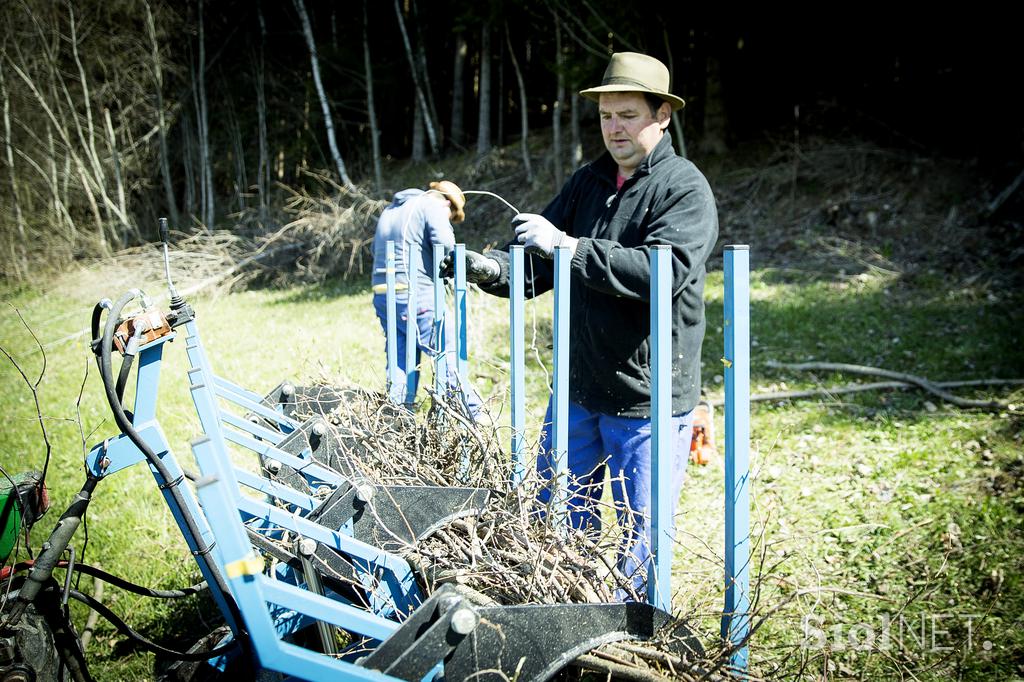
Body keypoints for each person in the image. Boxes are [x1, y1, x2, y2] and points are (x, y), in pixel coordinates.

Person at [447, 52, 719, 597]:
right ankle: (569, 620)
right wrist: (485, 268)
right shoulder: (588, 182)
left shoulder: (684, 189)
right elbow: (539, 264)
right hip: (577, 389)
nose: (613, 128)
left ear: (662, 115)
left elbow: (657, 272)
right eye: (605, 116)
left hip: (648, 396)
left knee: (643, 540)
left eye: (628, 115)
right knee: (562, 526)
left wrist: (571, 248)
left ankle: (631, 643)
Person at [371, 180, 482, 419]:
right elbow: (446, 245)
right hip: (415, 295)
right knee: (447, 351)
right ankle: (476, 415)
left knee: (401, 364)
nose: (449, 219)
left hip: (384, 295)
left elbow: (375, 251)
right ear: (447, 203)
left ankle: (396, 420)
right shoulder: (431, 205)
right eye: (451, 216)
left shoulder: (390, 210)